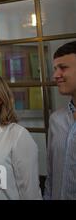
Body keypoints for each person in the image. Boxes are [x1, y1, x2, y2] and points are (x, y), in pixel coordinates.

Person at [44, 41, 76, 199]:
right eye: (55, 69)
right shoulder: (56, 120)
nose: (56, 75)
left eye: (63, 68)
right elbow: (51, 176)